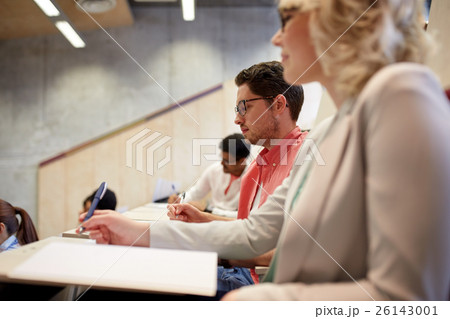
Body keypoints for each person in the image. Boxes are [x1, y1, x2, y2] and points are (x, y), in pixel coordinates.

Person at [79, 0, 450, 300]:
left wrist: (261, 302)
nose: (276, 37)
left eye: (287, 17)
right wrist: (135, 233)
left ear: (342, 15)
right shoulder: (327, 133)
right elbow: (255, 232)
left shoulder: (402, 93)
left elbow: (409, 301)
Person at [167, 61, 307, 296]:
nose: (237, 119)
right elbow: (252, 232)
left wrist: (221, 253)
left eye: (244, 107)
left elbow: (293, 252)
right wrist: (202, 219)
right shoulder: (256, 166)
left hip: (262, 287)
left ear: (278, 104)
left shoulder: (305, 161)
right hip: (245, 273)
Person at [168, 133, 250, 218]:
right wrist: (179, 199)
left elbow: (247, 216)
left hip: (234, 224)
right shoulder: (215, 170)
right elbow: (196, 192)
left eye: (227, 161)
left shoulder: (254, 178)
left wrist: (208, 210)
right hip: (211, 218)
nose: (222, 163)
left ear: (242, 161)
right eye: (222, 158)